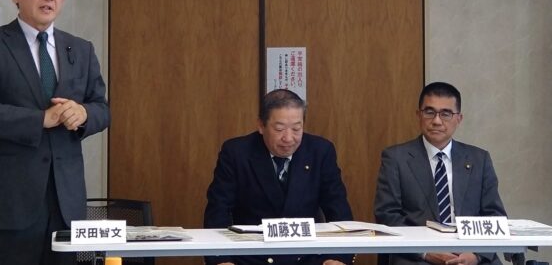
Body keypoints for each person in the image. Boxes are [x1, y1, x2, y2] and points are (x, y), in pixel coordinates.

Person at [0, 0, 111, 265]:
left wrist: (84, 114)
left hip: (66, 201)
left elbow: (102, 108)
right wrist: (41, 119)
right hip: (11, 201)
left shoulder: (80, 48)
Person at [204, 89, 354, 265]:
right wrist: (221, 260)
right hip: (251, 257)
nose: (288, 138)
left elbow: (338, 209)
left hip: (307, 257)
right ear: (261, 125)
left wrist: (338, 258)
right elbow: (218, 210)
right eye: (279, 129)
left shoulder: (320, 151)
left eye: (296, 128)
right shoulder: (237, 153)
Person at [374, 82, 506, 265]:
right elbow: (387, 215)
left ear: (459, 119)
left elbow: (495, 217)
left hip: (472, 255)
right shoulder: (396, 158)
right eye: (429, 112)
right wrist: (426, 252)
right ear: (419, 115)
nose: (436, 121)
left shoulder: (479, 159)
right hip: (417, 258)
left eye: (445, 114)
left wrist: (476, 255)